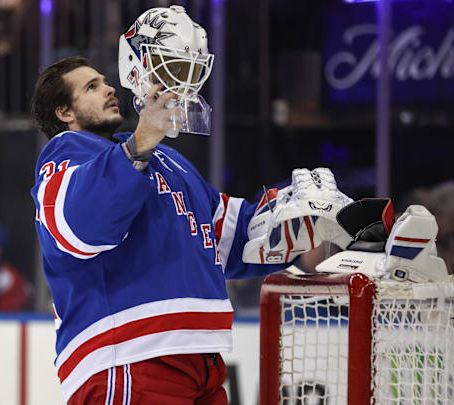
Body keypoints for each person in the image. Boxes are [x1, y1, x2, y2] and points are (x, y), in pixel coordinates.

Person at [29, 6, 350, 404]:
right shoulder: (68, 155)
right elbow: (83, 225)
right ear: (64, 112)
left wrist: (307, 220)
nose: (109, 88)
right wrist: (139, 145)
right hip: (128, 354)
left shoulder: (166, 160)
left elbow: (228, 239)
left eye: (106, 81)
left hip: (200, 358)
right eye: (91, 87)